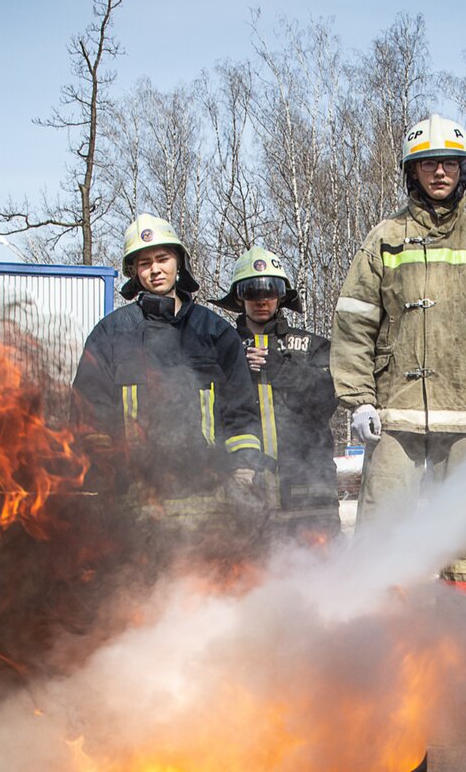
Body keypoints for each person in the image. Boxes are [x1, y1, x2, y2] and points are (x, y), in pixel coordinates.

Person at [330, 114, 466, 594]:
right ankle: (376, 639)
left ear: (464, 172)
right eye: (428, 164)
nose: (440, 173)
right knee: (381, 525)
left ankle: (462, 644)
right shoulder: (384, 239)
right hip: (394, 413)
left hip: (463, 416)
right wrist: (359, 399)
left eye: (450, 164)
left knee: (463, 540)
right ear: (411, 172)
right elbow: (354, 323)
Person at [71, 214, 266, 521]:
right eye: (144, 263)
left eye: (163, 258)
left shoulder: (214, 333)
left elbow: (240, 411)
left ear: (179, 263)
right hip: (135, 506)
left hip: (210, 500)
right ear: (134, 272)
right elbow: (89, 413)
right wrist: (108, 473)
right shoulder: (110, 334)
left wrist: (242, 470)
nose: (155, 269)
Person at [212, 246, 340, 540]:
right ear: (239, 296)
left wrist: (279, 368)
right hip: (247, 493)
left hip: (309, 491)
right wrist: (235, 368)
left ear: (283, 296)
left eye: (271, 290)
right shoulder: (220, 350)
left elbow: (330, 397)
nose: (262, 300)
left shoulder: (310, 346)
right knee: (252, 581)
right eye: (252, 292)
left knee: (324, 578)